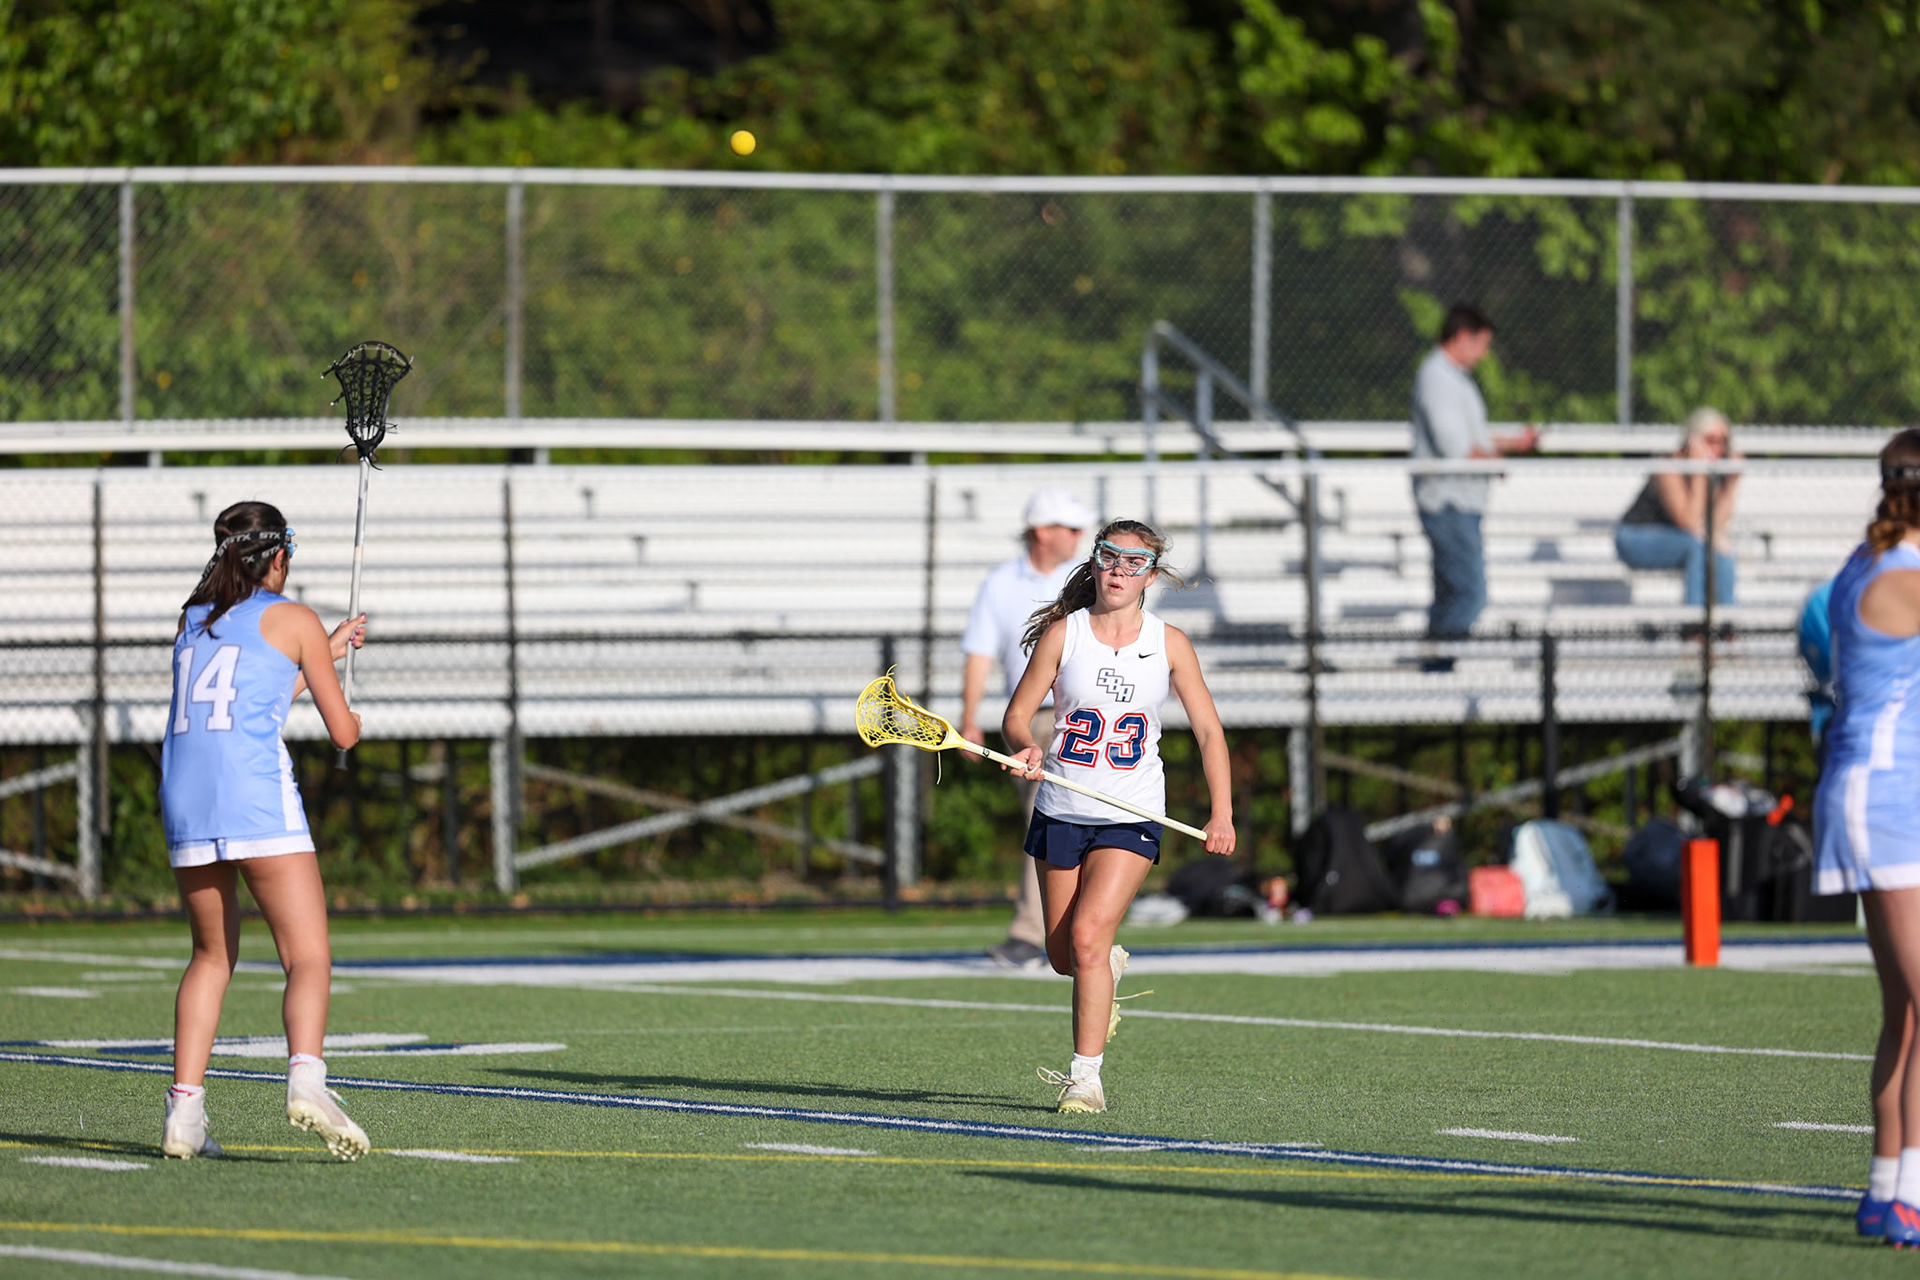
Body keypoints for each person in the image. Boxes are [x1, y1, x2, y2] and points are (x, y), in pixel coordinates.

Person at [159, 501, 371, 1162]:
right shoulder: (297, 618)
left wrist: (321, 655)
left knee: (210, 958)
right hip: (257, 797)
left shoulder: (194, 620)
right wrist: (333, 673)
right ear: (279, 557)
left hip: (188, 800)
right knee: (306, 956)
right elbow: (343, 732)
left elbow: (252, 693)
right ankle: (308, 1079)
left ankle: (184, 1115)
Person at [1002, 519, 1236, 1113]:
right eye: (1111, 557)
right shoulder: (1065, 634)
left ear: (1150, 576)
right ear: (1097, 560)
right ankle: (1103, 963)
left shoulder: (1170, 642)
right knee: (1065, 958)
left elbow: (1209, 732)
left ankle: (1085, 1079)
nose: (1119, 570)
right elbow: (1017, 715)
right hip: (1061, 807)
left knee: (1085, 937)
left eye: (1135, 563)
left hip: (1131, 814)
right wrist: (1024, 747)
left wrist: (1222, 813)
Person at [1810, 428, 1920, 1244]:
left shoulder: (1868, 559)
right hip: (1884, 799)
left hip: (1881, 793)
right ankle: (1912, 1192)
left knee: (1907, 1012)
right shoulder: (1905, 575)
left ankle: (1887, 1189)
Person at [960, 487, 1097, 970]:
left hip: (1084, 713)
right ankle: (1043, 932)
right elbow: (980, 651)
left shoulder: (1088, 579)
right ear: (1043, 531)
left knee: (1080, 816)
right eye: (1070, 528)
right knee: (1047, 818)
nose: (1080, 537)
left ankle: (1068, 926)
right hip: (1030, 717)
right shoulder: (1001, 583)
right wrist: (970, 718)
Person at [1410, 303, 1539, 647]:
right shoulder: (1438, 378)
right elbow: (1455, 446)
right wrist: (1493, 460)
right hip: (1448, 503)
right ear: (1463, 337)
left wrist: (1512, 445)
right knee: (1470, 595)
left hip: (1459, 503)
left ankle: (1434, 673)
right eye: (1482, 344)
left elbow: (1472, 437)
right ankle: (1437, 664)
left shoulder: (1454, 380)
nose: (1484, 355)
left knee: (1450, 594)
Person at [1614, 408, 1740, 605]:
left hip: (1677, 538)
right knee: (1697, 546)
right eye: (1711, 440)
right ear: (1693, 440)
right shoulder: (1668, 466)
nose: (1718, 448)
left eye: (1723, 441)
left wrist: (1731, 484)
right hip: (1635, 537)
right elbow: (1688, 522)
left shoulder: (1711, 472)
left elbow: (1715, 526)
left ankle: (1725, 623)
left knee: (1721, 549)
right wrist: (1699, 471)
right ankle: (1695, 624)